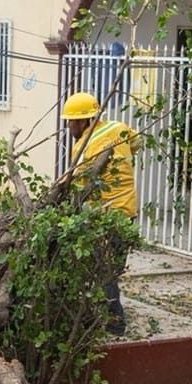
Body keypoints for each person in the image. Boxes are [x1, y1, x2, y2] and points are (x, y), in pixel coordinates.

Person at [62, 91, 138, 334]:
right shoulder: (119, 127)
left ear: (85, 120)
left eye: (72, 121)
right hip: (127, 211)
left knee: (104, 272)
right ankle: (101, 315)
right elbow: (137, 143)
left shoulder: (83, 149)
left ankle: (115, 325)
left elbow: (77, 186)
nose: (69, 126)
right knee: (111, 268)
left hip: (106, 216)